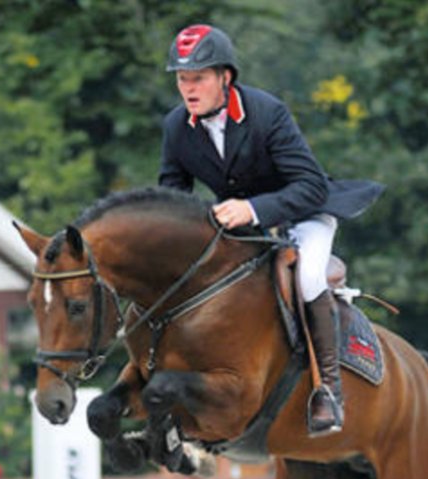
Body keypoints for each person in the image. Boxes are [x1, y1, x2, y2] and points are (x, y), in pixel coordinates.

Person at [159, 24, 383, 436]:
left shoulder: (267, 113)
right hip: (240, 227)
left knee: (310, 277)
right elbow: (172, 195)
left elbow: (311, 185)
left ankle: (327, 392)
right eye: (182, 79)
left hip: (303, 215)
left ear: (226, 77)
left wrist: (253, 208)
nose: (188, 88)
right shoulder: (177, 126)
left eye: (199, 78)